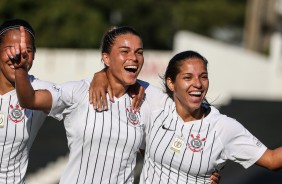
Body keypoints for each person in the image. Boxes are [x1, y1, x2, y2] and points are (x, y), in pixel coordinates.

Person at [12, 24, 221, 184]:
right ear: (106, 58)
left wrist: (201, 172)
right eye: (125, 51)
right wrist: (21, 70)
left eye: (139, 52)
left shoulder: (149, 97)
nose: (134, 58)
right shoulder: (79, 92)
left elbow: (166, 148)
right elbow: (29, 99)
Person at [0, 19, 53, 183]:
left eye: (26, 50)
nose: (18, 55)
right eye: (10, 49)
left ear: (34, 55)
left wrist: (101, 76)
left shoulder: (41, 90)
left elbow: (79, 95)